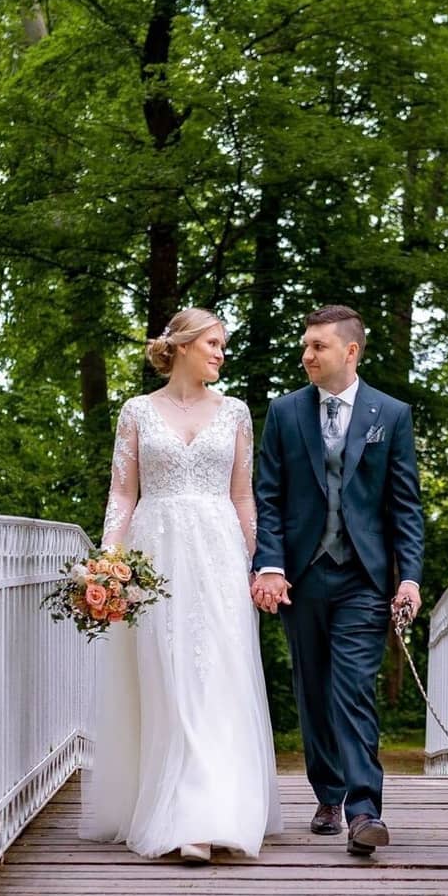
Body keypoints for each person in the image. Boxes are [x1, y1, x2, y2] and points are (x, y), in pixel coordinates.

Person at [80, 308, 283, 864]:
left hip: (219, 554)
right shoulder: (137, 412)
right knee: (168, 677)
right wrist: (109, 561)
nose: (221, 353)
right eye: (214, 343)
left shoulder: (236, 412)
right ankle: (182, 815)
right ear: (185, 347)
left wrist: (260, 563)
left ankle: (219, 810)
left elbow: (244, 496)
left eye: (223, 345)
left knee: (219, 676)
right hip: (157, 553)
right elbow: (123, 494)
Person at [251, 304, 425, 857]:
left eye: (318, 346)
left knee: (352, 689)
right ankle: (327, 792)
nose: (307, 355)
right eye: (305, 345)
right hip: (300, 577)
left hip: (363, 579)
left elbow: (405, 505)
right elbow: (268, 499)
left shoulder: (391, 415)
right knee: (313, 689)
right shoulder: (284, 413)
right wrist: (270, 565)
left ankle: (364, 810)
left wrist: (410, 578)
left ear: (350, 351)